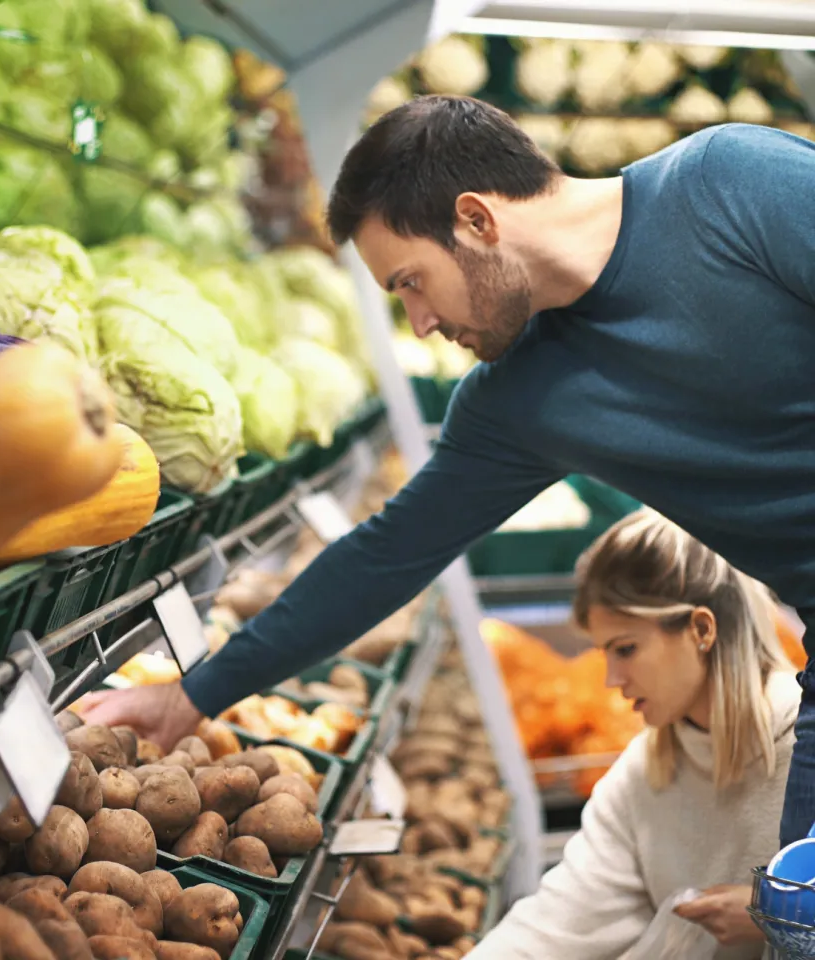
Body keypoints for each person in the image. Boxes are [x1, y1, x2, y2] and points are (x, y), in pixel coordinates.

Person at [81, 95, 815, 848]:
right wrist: (195, 694)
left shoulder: (729, 185)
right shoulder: (518, 401)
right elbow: (385, 555)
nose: (420, 324)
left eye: (410, 283)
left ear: (475, 220)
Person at [472, 509, 796, 960]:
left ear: (701, 629)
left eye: (626, 649)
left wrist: (788, 918)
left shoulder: (803, 750)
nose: (610, 678)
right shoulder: (645, 773)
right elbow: (560, 922)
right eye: (605, 653)